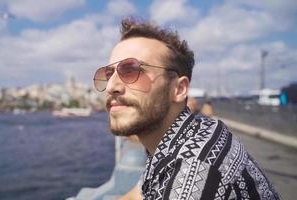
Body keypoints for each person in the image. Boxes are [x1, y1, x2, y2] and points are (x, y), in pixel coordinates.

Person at [93, 17, 280, 200]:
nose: (110, 87)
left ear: (179, 89)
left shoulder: (195, 174)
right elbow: (138, 194)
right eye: (109, 74)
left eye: (131, 70)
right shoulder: (186, 133)